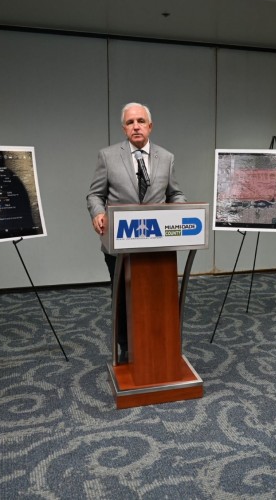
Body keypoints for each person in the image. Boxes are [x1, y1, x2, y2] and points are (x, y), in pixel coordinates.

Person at [86, 102, 186, 363]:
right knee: (122, 297)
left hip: (157, 243)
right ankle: (126, 348)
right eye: (130, 122)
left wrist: (183, 210)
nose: (136, 126)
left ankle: (158, 343)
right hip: (119, 242)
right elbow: (95, 194)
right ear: (124, 128)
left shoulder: (166, 157)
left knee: (156, 295)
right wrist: (97, 212)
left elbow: (174, 193)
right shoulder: (107, 156)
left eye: (141, 121)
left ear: (150, 126)